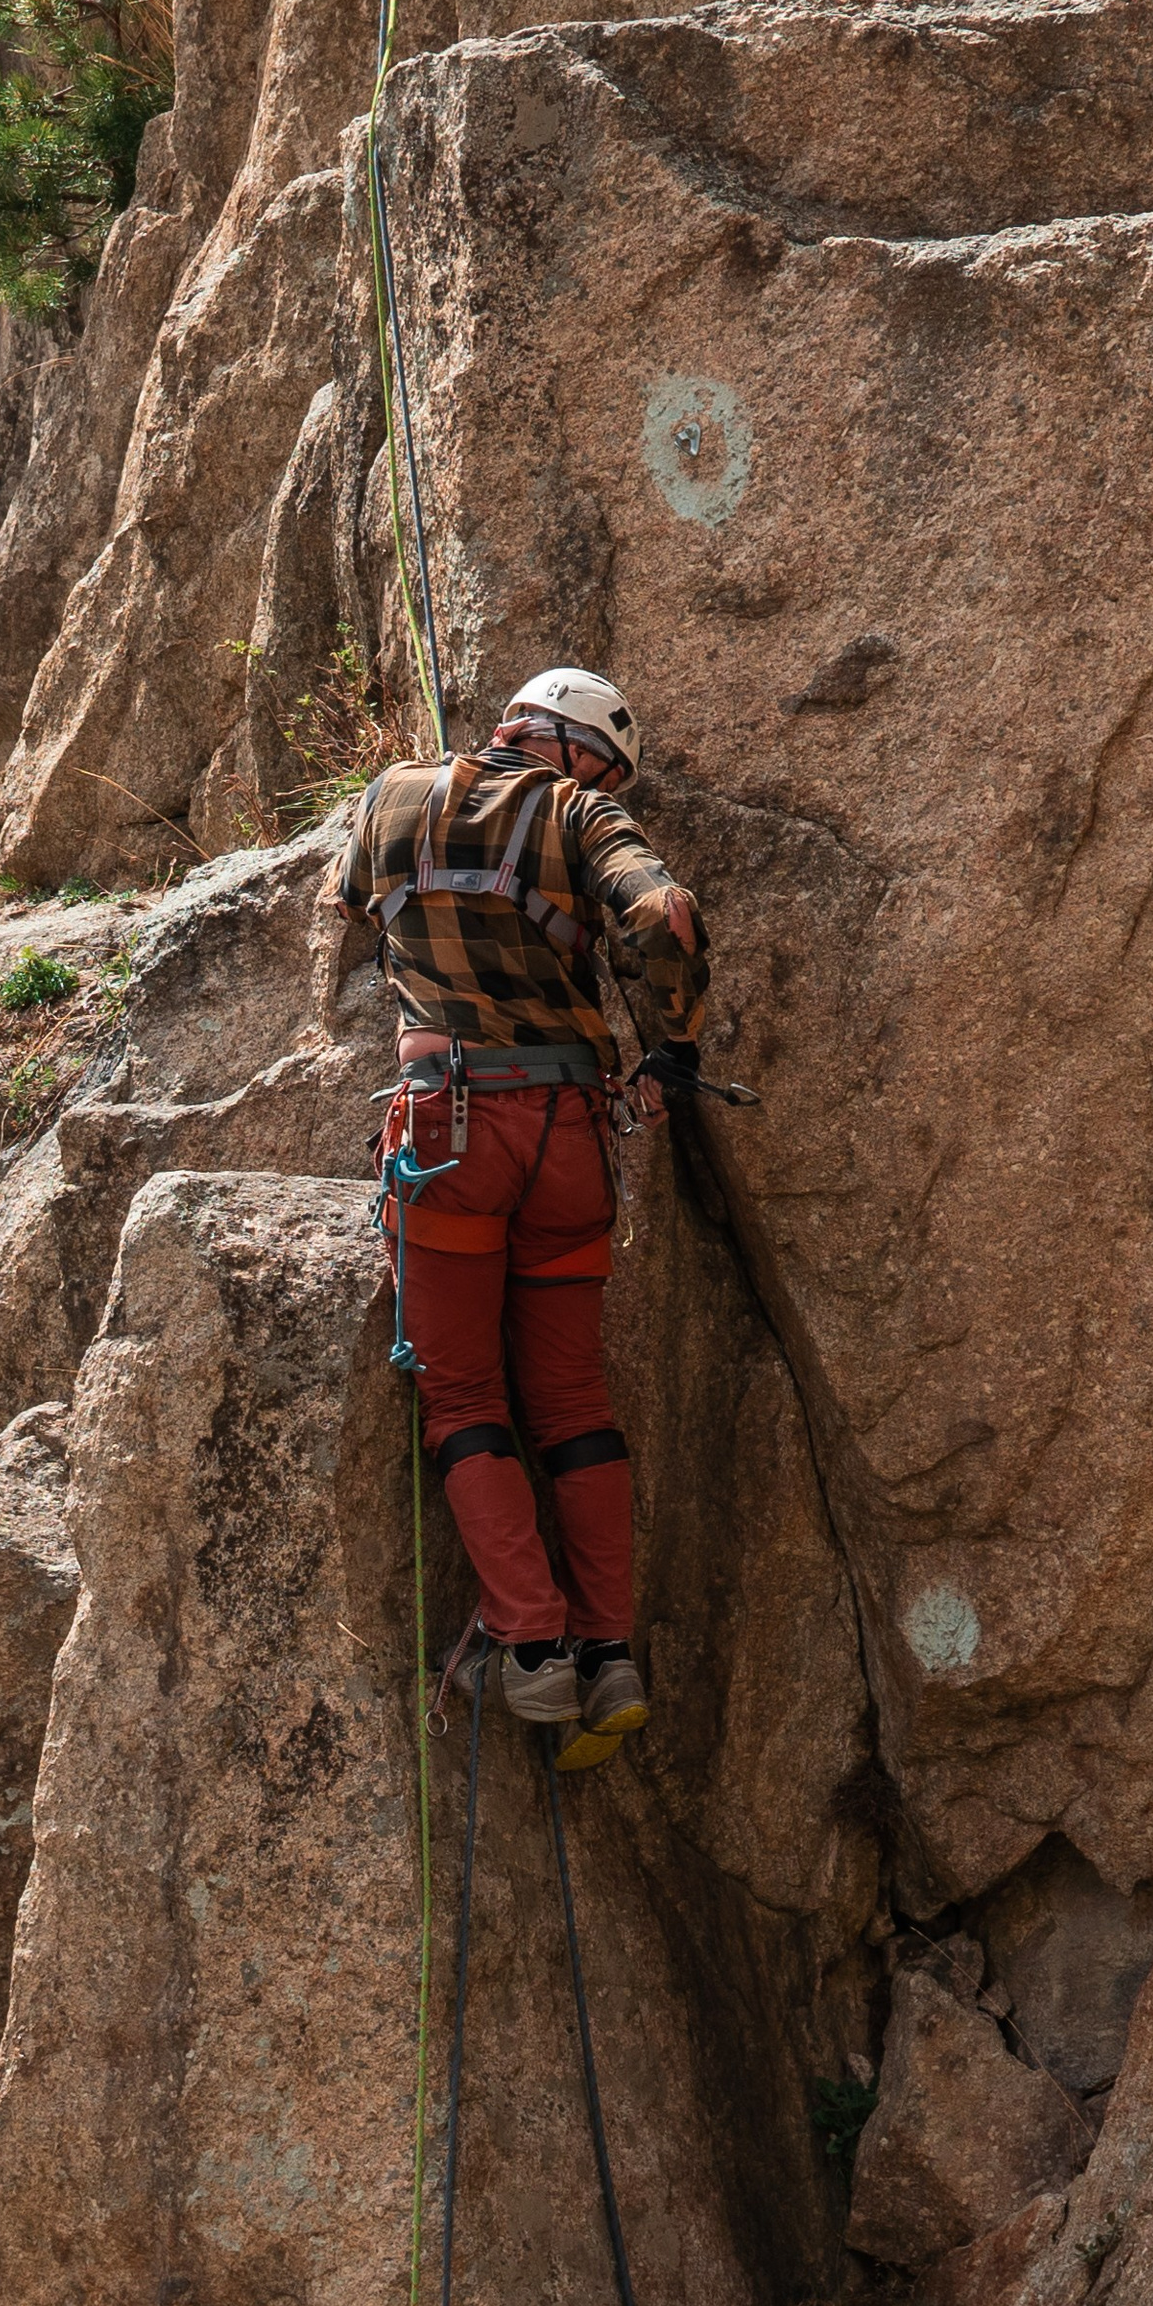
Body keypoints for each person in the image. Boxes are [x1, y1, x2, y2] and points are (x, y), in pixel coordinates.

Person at [330, 664, 708, 1768]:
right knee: (570, 1397)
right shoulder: (580, 812)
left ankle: (531, 1651)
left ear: (515, 725)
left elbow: (355, 914)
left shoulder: (388, 796)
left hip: (446, 1130)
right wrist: (670, 1048)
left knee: (461, 1394)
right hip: (569, 1138)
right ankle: (609, 1656)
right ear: (577, 750)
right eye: (609, 764)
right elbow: (662, 913)